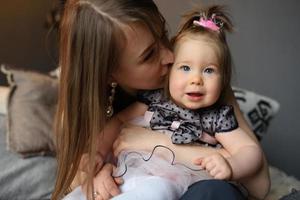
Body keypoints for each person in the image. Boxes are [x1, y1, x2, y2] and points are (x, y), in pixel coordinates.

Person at [51, 0, 270, 200]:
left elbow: (260, 186)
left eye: (163, 34)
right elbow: (80, 175)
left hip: (186, 185)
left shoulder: (203, 86)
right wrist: (100, 174)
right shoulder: (82, 113)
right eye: (148, 55)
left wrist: (158, 144)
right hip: (136, 177)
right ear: (108, 73)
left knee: (213, 191)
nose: (170, 56)